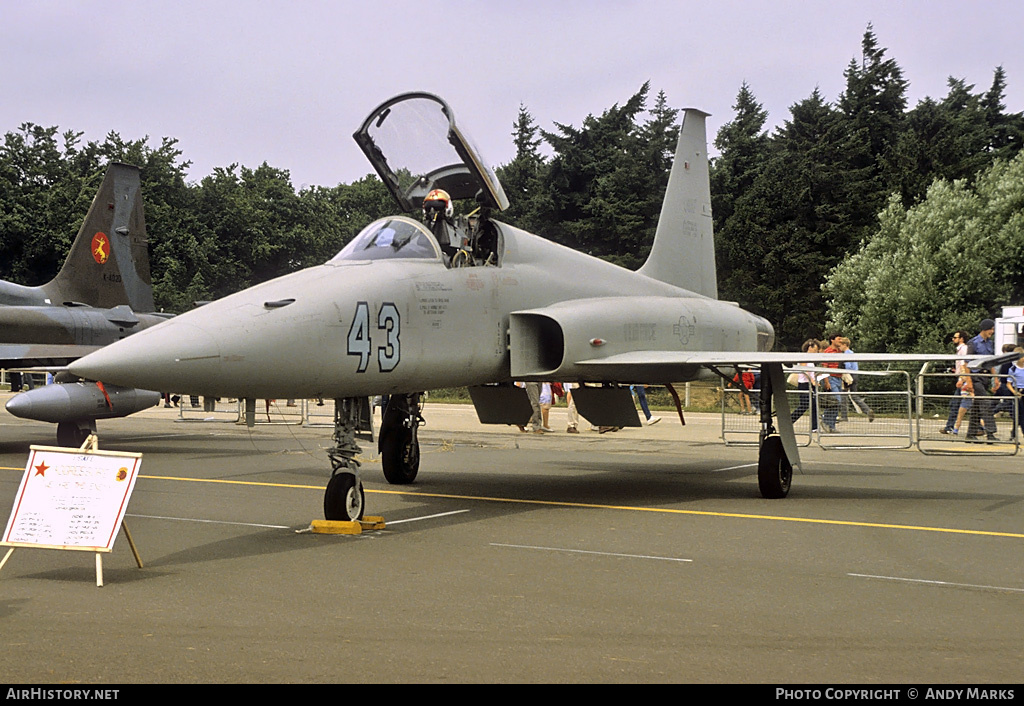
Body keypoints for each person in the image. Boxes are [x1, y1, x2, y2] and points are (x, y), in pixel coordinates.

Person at [965, 318, 999, 442]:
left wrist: (995, 378)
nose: (992, 331)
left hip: (985, 376)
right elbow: (967, 363)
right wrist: (968, 381)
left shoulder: (990, 343)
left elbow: (991, 362)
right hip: (976, 376)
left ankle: (970, 434)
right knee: (985, 403)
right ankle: (990, 432)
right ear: (985, 329)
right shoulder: (973, 343)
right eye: (991, 329)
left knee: (977, 406)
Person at [835, 337, 875, 422]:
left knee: (843, 394)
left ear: (845, 345)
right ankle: (867, 410)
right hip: (855, 374)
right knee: (854, 395)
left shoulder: (846, 354)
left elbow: (848, 366)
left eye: (840, 345)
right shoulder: (852, 353)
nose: (839, 347)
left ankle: (844, 416)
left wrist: (842, 370)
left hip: (849, 375)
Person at [941, 330, 972, 436]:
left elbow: (964, 365)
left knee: (960, 404)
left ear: (961, 339)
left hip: (963, 380)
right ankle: (949, 426)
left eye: (955, 337)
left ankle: (949, 426)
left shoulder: (963, 349)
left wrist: (961, 379)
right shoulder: (960, 350)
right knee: (957, 404)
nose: (953, 339)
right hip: (962, 378)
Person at [790, 339, 820, 431]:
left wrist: (815, 380)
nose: (816, 352)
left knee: (814, 405)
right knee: (804, 405)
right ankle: (790, 420)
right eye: (815, 349)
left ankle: (815, 426)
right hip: (804, 384)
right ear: (810, 347)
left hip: (810, 384)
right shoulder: (803, 357)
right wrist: (812, 380)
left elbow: (811, 372)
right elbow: (804, 370)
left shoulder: (811, 360)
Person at [818, 337, 843, 433]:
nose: (840, 341)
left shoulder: (839, 352)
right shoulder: (828, 351)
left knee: (835, 403)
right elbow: (824, 367)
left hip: (838, 378)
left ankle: (831, 426)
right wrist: (827, 381)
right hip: (831, 378)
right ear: (832, 340)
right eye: (838, 339)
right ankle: (825, 421)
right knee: (837, 401)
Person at [1004, 348, 1024, 441]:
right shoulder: (1013, 369)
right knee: (1018, 415)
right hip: (1017, 391)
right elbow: (1009, 383)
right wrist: (1015, 392)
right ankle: (1014, 434)